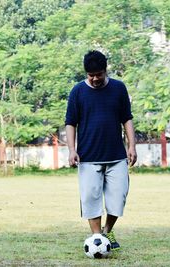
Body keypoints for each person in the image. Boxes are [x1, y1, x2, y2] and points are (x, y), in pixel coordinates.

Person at [65, 50, 137, 250]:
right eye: (91, 75)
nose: (95, 79)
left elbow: (127, 119)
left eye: (99, 74)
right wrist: (72, 150)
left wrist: (132, 146)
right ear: (86, 73)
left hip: (116, 155)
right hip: (88, 157)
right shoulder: (77, 91)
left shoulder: (118, 88)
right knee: (90, 197)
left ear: (106, 70)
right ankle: (97, 237)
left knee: (119, 196)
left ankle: (106, 232)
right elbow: (70, 123)